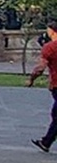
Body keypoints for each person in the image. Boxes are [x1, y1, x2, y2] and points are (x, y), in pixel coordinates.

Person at [27, 22, 57, 153]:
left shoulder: (49, 47)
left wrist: (31, 79)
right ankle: (46, 141)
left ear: (52, 31)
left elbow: (40, 68)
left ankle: (46, 142)